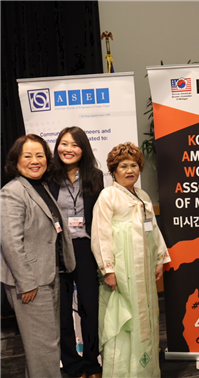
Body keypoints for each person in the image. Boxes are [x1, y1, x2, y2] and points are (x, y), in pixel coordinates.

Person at [91, 142, 170, 377]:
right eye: (123, 166)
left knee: (145, 315)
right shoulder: (108, 196)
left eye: (134, 165)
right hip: (122, 272)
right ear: (114, 170)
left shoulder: (143, 196)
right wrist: (108, 270)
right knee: (124, 319)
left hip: (143, 272)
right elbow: (100, 234)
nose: (129, 170)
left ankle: (145, 371)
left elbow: (153, 229)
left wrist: (159, 259)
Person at [1, 134, 76, 377]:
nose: (35, 161)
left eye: (40, 155)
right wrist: (26, 282)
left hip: (48, 276)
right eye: (28, 156)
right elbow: (10, 242)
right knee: (43, 348)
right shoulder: (12, 192)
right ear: (16, 160)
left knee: (43, 347)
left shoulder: (39, 186)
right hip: (31, 282)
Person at [48, 127, 104, 378]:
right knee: (61, 312)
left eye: (75, 145)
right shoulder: (48, 177)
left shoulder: (96, 176)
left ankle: (92, 363)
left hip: (86, 248)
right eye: (63, 143)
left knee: (90, 309)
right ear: (57, 146)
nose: (68, 149)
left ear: (84, 149)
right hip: (57, 248)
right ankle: (72, 365)